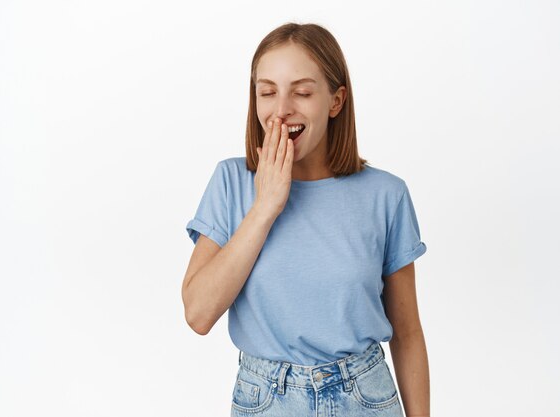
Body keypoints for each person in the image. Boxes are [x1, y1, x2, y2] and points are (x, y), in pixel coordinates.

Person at [182, 22, 430, 417]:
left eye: (302, 92)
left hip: (365, 397)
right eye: (267, 92)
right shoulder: (230, 182)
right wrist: (265, 207)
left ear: (335, 101)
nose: (281, 110)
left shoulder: (387, 195)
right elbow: (198, 313)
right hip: (264, 399)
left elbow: (408, 332)